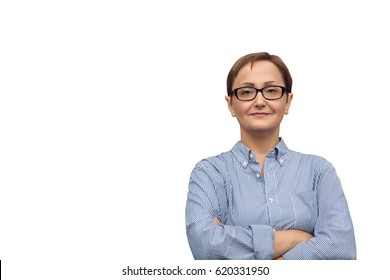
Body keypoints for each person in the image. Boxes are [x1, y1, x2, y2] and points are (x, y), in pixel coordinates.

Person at [185, 52, 356, 260]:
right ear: (231, 104)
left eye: (271, 90)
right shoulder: (210, 173)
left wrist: (276, 264)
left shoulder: (319, 171)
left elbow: (341, 248)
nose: (259, 101)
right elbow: (206, 246)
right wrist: (296, 239)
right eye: (247, 92)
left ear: (287, 101)